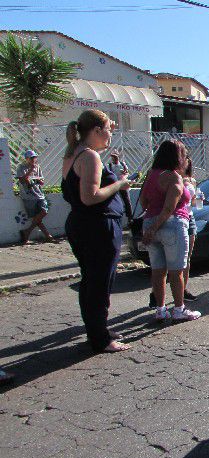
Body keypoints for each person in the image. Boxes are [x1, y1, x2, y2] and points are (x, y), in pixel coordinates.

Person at [61, 109, 131, 353]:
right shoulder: (89, 157)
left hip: (82, 224)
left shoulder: (73, 153)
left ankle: (97, 328)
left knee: (91, 280)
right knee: (99, 282)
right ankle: (100, 338)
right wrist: (119, 184)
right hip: (97, 226)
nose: (111, 135)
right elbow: (90, 197)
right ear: (97, 131)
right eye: (108, 131)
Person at [141, 140, 201, 322]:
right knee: (177, 271)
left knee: (158, 271)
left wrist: (151, 228)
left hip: (150, 222)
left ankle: (160, 310)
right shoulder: (173, 177)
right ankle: (179, 309)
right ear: (177, 156)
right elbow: (169, 208)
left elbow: (144, 202)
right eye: (183, 154)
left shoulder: (151, 175)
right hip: (172, 224)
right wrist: (156, 226)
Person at [16, 149, 55, 243]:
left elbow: (41, 181)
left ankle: (27, 231)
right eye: (32, 158)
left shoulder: (38, 167)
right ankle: (47, 236)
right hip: (28, 195)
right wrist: (30, 170)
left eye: (35, 157)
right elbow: (22, 180)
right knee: (36, 218)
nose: (34, 159)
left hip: (39, 194)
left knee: (44, 211)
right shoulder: (21, 167)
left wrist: (39, 180)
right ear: (27, 158)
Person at [183, 159, 199, 300]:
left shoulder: (192, 180)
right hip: (177, 218)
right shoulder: (174, 177)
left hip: (190, 217)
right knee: (173, 260)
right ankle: (156, 293)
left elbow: (193, 202)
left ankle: (184, 289)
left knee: (187, 257)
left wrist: (199, 199)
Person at [107, 149, 134, 223]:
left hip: (122, 185)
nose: (114, 158)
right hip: (114, 185)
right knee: (112, 200)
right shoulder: (109, 165)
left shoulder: (122, 164)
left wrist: (125, 173)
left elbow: (127, 173)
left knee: (127, 201)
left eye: (116, 155)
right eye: (113, 156)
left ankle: (130, 218)